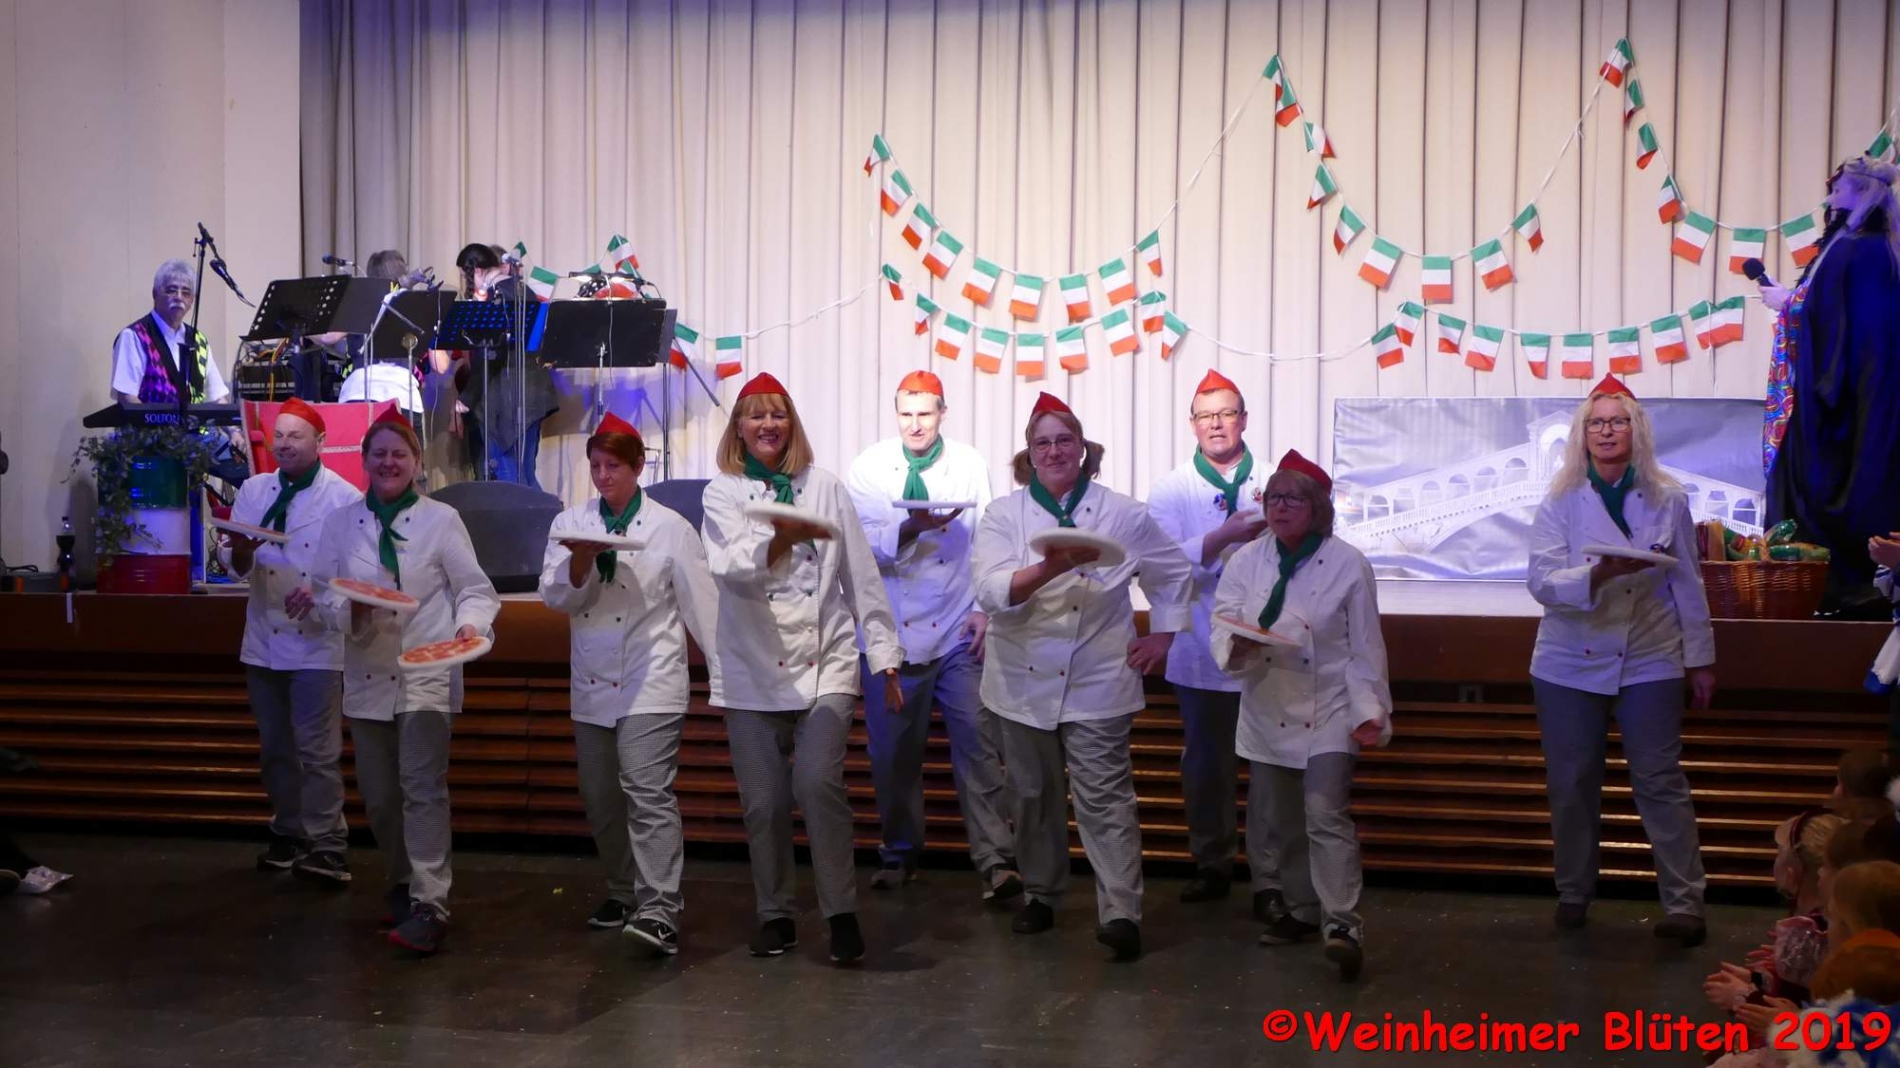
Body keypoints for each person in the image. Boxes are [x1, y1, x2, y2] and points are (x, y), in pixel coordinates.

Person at [972, 391, 1193, 962]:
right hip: (1019, 679)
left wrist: (1163, 636)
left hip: (1098, 673)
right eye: (1042, 443)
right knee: (1032, 794)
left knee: (1106, 798)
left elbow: (1172, 572)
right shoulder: (1004, 514)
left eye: (1064, 441)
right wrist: (1053, 566)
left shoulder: (1124, 513)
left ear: (1082, 449)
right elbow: (991, 592)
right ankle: (1041, 893)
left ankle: (1120, 912)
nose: (1054, 451)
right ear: (1029, 454)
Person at [700, 372, 903, 965]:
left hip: (827, 662)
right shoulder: (722, 493)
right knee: (764, 804)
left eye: (778, 414)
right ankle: (776, 915)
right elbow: (730, 568)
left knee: (817, 783)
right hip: (750, 668)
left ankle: (840, 913)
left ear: (792, 423)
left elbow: (860, 575)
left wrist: (885, 658)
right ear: (739, 427)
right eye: (756, 415)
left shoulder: (827, 487)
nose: (768, 425)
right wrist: (781, 538)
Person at [289, 408, 499, 956]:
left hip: (427, 671)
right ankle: (403, 882)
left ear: (416, 462)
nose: (388, 463)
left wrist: (469, 628)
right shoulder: (341, 524)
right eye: (379, 454)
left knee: (422, 789)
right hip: (367, 673)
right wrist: (351, 612)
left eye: (399, 454)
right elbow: (324, 593)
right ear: (364, 461)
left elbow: (475, 589)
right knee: (381, 798)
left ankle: (432, 902)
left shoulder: (441, 520)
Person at [1526, 374, 1715, 947]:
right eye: (1596, 422)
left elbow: (1687, 582)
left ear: (1638, 431)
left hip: (1650, 654)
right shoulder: (1559, 500)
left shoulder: (1668, 498)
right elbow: (1541, 582)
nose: (1606, 431)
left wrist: (1700, 660)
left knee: (1660, 780)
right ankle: (1573, 891)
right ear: (1582, 434)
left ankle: (1685, 904)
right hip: (1568, 661)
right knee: (1572, 780)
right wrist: (1598, 574)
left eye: (1618, 421)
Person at [539, 412, 717, 956]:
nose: (602, 476)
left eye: (613, 466)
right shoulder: (570, 523)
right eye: (595, 466)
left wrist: (723, 673)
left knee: (647, 791)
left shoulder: (671, 528)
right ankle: (622, 890)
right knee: (601, 797)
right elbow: (556, 598)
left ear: (638, 467)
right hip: (592, 680)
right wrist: (579, 564)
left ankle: (660, 908)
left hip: (652, 674)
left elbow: (702, 605)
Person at [1208, 450, 1391, 981]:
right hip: (1267, 702)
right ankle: (1302, 908)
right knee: (1282, 820)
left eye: (1293, 499)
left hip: (1330, 703)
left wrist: (1369, 710)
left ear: (1317, 508)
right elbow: (1223, 621)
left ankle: (1343, 925)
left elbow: (1366, 647)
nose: (1280, 508)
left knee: (1325, 812)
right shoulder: (1245, 561)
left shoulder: (1348, 563)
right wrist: (1237, 647)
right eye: (1273, 498)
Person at [843, 370, 1019, 902]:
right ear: (895, 414)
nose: (915, 424)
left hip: (958, 627)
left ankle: (996, 861)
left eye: (925, 413)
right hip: (890, 634)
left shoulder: (968, 463)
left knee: (979, 748)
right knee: (892, 755)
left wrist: (985, 611)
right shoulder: (869, 467)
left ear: (943, 413)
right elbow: (858, 547)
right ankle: (899, 853)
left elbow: (988, 540)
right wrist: (909, 528)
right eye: (906, 414)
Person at [1146, 369, 1278, 914]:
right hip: (1200, 644)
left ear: (1244, 419)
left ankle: (1271, 876)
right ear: (1192, 424)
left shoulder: (1276, 479)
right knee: (1206, 765)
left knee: (1271, 765)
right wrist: (1222, 536)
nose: (1216, 424)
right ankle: (1212, 862)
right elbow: (1157, 563)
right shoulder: (1171, 488)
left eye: (1226, 414)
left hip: (1268, 648)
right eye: (1206, 416)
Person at [218, 399, 362, 881]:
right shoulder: (254, 490)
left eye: (295, 436)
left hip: (316, 641)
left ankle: (328, 844)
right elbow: (236, 568)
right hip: (262, 637)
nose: (283, 444)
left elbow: (358, 571)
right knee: (276, 748)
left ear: (320, 442)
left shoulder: (343, 498)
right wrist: (240, 551)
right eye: (278, 435)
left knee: (317, 752)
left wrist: (319, 590)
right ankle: (288, 831)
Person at [1763, 157, 1900, 619]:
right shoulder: (1873, 249)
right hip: (1862, 393)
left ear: (1860, 194)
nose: (1830, 198)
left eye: (1839, 190)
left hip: (1844, 397)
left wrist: (1788, 304)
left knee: (1828, 482)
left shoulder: (1856, 251)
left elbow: (1838, 325)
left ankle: (1836, 584)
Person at [452, 242, 559, 488]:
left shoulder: (495, 297)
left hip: (506, 399)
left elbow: (490, 353)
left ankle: (541, 513)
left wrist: (467, 397)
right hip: (532, 396)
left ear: (478, 271)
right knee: (525, 474)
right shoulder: (524, 290)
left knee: (509, 479)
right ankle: (545, 513)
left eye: (465, 276)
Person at [111, 259, 232, 407]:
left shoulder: (199, 341)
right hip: (149, 422)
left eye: (186, 292)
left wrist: (233, 423)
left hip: (194, 423)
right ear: (155, 294)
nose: (179, 297)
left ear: (192, 300)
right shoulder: (134, 336)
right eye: (171, 290)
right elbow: (127, 398)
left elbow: (217, 398)